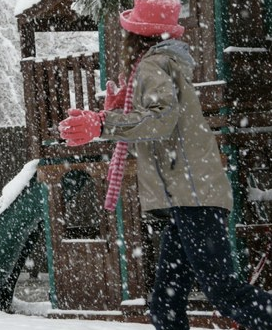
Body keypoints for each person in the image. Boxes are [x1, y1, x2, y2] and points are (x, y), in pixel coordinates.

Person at [58, 0, 272, 329]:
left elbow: (161, 122)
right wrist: (121, 111)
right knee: (165, 302)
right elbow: (162, 131)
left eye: (126, 32)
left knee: (224, 293)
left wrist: (103, 122)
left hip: (194, 197)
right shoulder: (166, 64)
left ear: (135, 36)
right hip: (188, 197)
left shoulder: (152, 67)